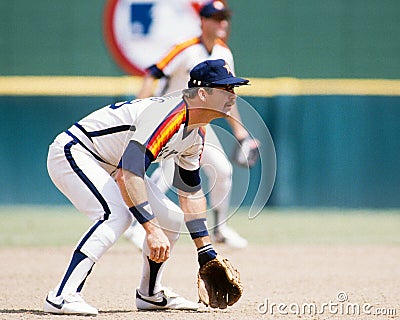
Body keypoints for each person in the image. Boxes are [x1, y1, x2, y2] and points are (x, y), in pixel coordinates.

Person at [44, 59, 249, 315]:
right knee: (115, 215)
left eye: (233, 89)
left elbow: (190, 192)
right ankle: (62, 295)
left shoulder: (197, 131)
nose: (232, 96)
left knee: (172, 218)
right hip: (76, 152)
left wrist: (205, 251)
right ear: (203, 93)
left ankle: (150, 294)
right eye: (225, 89)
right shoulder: (168, 116)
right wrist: (150, 229)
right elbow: (128, 174)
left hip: (112, 162)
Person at [125, 0, 258, 250]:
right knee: (162, 174)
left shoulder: (224, 53)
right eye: (216, 18)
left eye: (225, 18)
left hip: (197, 123)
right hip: (167, 117)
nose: (223, 23)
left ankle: (219, 230)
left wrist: (240, 133)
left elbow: (227, 95)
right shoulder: (186, 49)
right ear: (202, 21)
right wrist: (140, 109)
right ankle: (135, 227)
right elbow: (153, 73)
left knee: (223, 170)